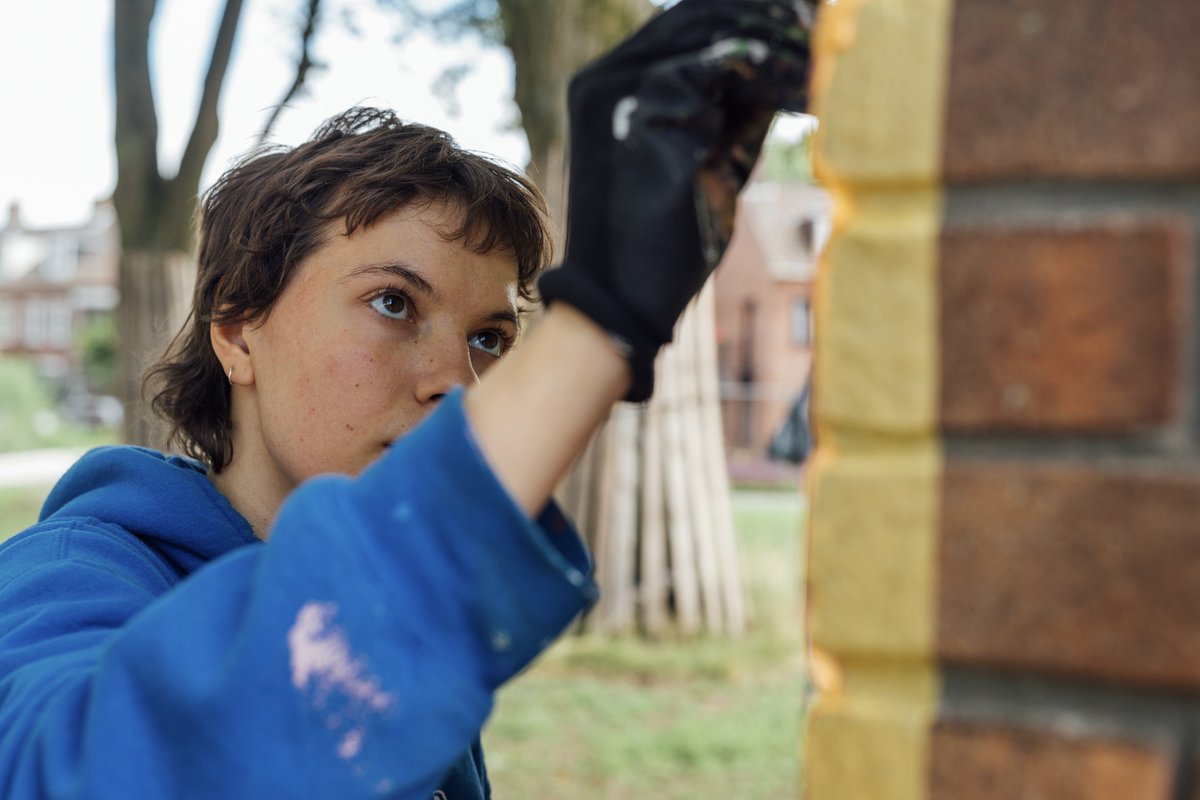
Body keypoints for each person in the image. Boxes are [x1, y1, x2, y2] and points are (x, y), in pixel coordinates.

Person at [0, 1, 812, 797]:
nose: (457, 385)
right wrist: (599, 324)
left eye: (491, 338)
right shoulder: (67, 580)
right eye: (394, 303)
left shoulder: (388, 615)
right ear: (238, 333)